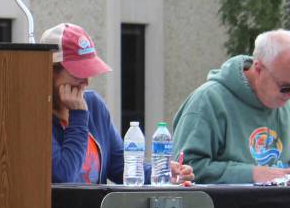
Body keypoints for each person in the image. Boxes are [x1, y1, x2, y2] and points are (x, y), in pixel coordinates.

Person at [44, 22, 193, 185]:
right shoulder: (36, 115)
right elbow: (62, 177)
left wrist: (159, 174)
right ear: (50, 70)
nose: (86, 81)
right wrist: (78, 118)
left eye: (90, 72)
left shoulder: (94, 105)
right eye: (79, 72)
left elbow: (120, 167)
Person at [172, 29, 290, 184]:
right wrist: (253, 174)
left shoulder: (285, 105)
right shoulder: (208, 101)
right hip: (225, 207)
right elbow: (184, 170)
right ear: (259, 69)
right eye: (285, 88)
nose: (289, 96)